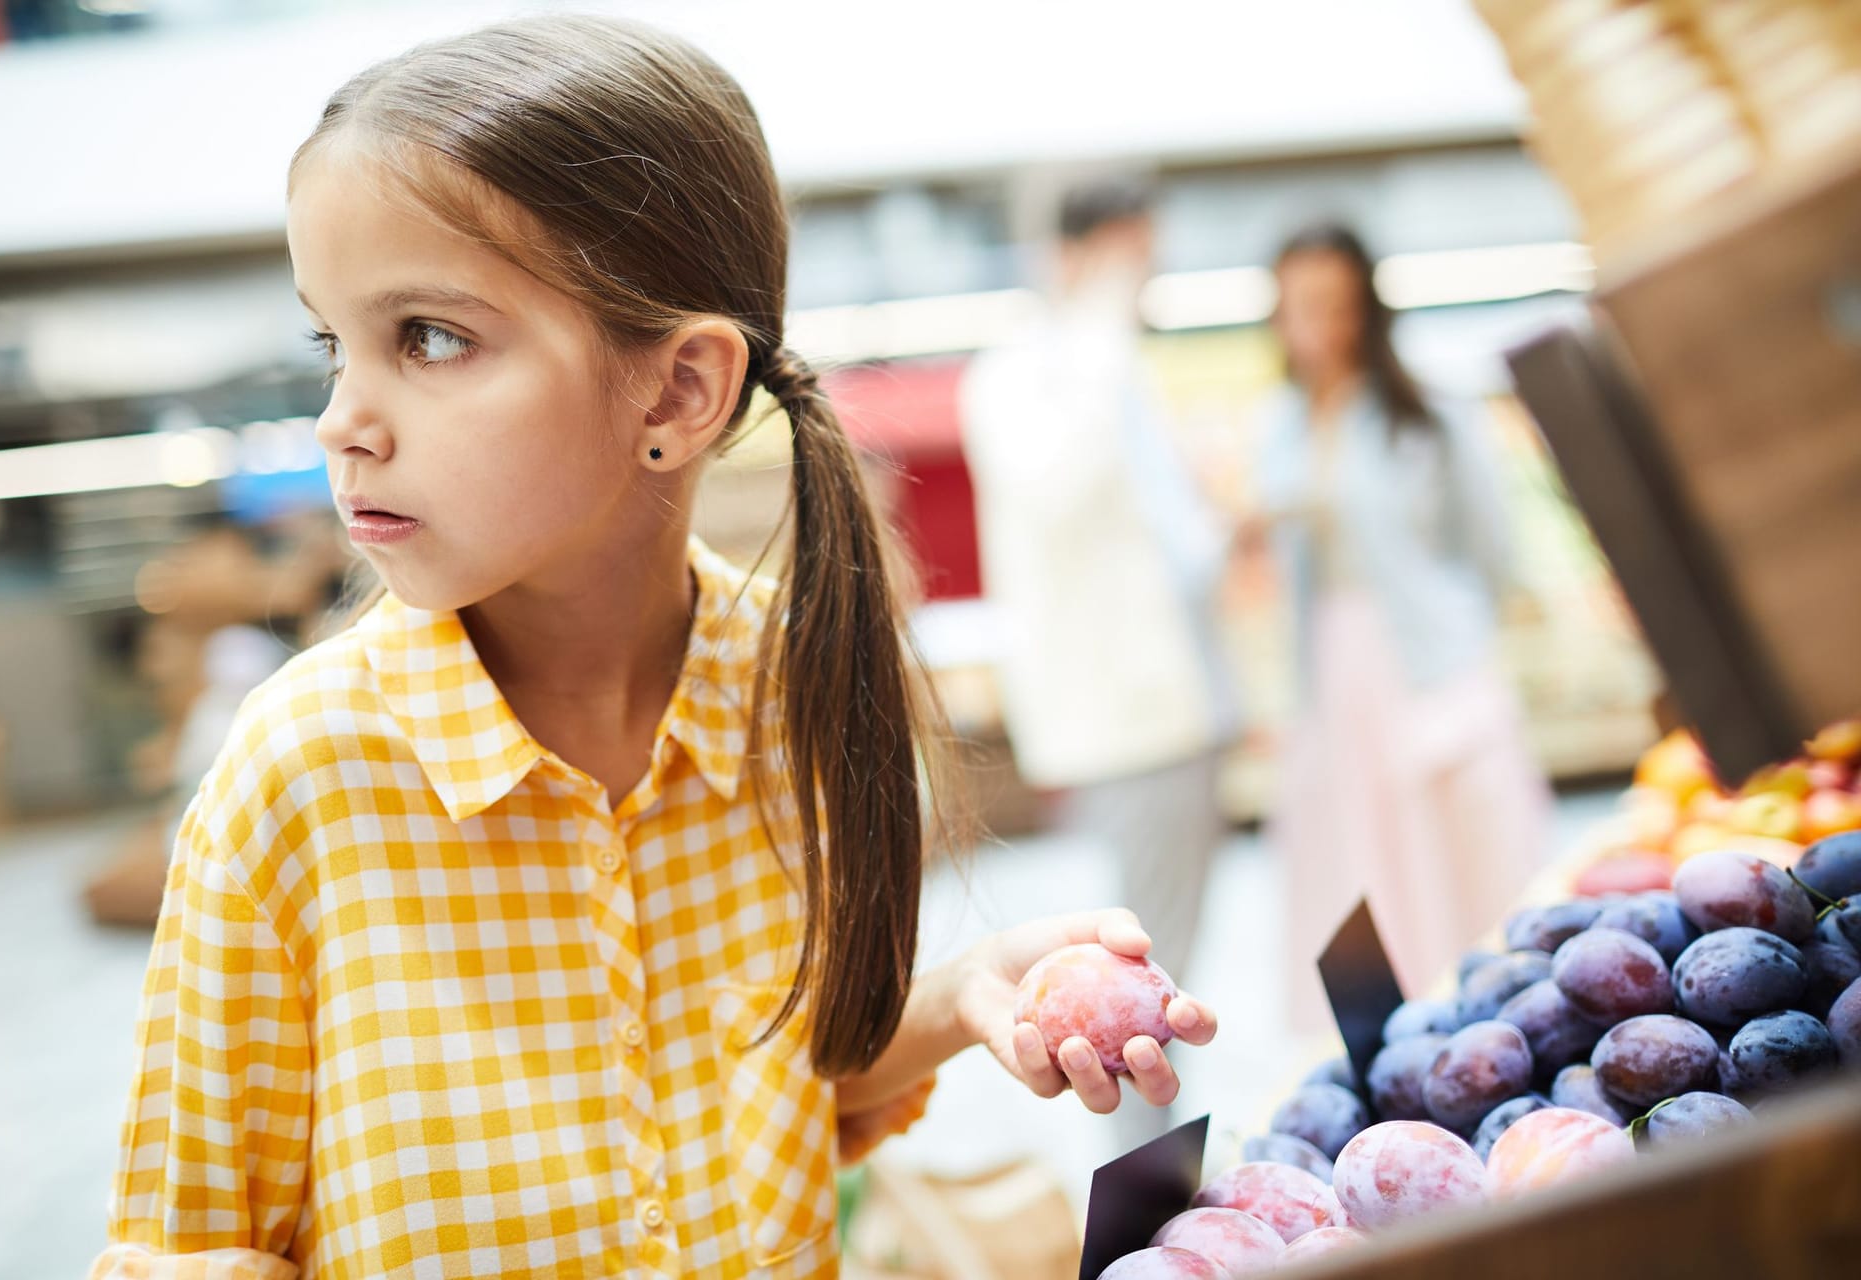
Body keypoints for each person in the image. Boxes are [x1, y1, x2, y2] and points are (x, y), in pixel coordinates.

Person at [91, 18, 1217, 1279]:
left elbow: (786, 1099)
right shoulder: (297, 779)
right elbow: (189, 1252)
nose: (342, 419)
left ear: (679, 392)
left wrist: (957, 1000)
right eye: (332, 342)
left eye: (430, 337)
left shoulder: (788, 686)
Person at [960, 181, 1235, 1142]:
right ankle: (1156, 1204)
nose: (1143, 283)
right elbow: (1063, 489)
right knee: (1132, 987)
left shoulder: (1102, 366)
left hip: (1181, 714)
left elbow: (1169, 542)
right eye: (1131, 259)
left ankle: (1165, 1187)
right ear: (1081, 254)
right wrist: (1099, 321)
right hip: (1130, 724)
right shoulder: (1033, 373)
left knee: (1169, 968)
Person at [1253, 220, 1551, 1019]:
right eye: (1297, 304)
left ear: (1364, 307)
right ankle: (1391, 1034)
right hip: (1330, 667)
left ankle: (1487, 1014)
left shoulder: (1425, 413)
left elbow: (1489, 546)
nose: (1315, 323)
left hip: (1427, 658)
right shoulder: (1279, 423)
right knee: (1356, 861)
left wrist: (1464, 646)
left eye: (1331, 303)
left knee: (1456, 852)